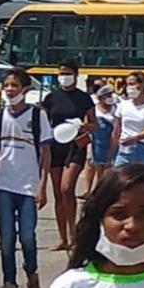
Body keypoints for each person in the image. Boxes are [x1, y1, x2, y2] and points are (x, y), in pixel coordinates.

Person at [0, 69, 52, 288]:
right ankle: (9, 282)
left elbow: (45, 153)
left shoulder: (37, 116)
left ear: (25, 89)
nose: (9, 90)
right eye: (6, 85)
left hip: (28, 187)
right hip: (4, 185)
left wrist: (42, 186)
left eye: (14, 85)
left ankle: (31, 271)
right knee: (6, 239)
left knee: (27, 236)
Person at [42, 60, 95, 251]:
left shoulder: (83, 98)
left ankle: (74, 235)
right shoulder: (51, 97)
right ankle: (63, 237)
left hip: (75, 145)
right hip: (55, 145)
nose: (64, 76)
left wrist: (82, 126)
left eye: (68, 73)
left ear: (75, 74)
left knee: (67, 188)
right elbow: (42, 119)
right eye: (61, 72)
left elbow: (93, 124)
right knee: (57, 192)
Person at [111, 71, 144, 167]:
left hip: (143, 149)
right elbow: (116, 131)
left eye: (132, 84)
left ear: (142, 85)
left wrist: (134, 138)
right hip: (124, 150)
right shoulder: (123, 105)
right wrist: (111, 153)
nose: (129, 87)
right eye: (128, 84)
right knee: (118, 179)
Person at [85, 85, 118, 198]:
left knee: (109, 168)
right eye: (107, 96)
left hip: (113, 141)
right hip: (96, 142)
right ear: (100, 98)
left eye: (110, 95)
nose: (110, 97)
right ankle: (92, 190)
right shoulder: (95, 109)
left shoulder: (116, 108)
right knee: (96, 166)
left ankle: (104, 190)